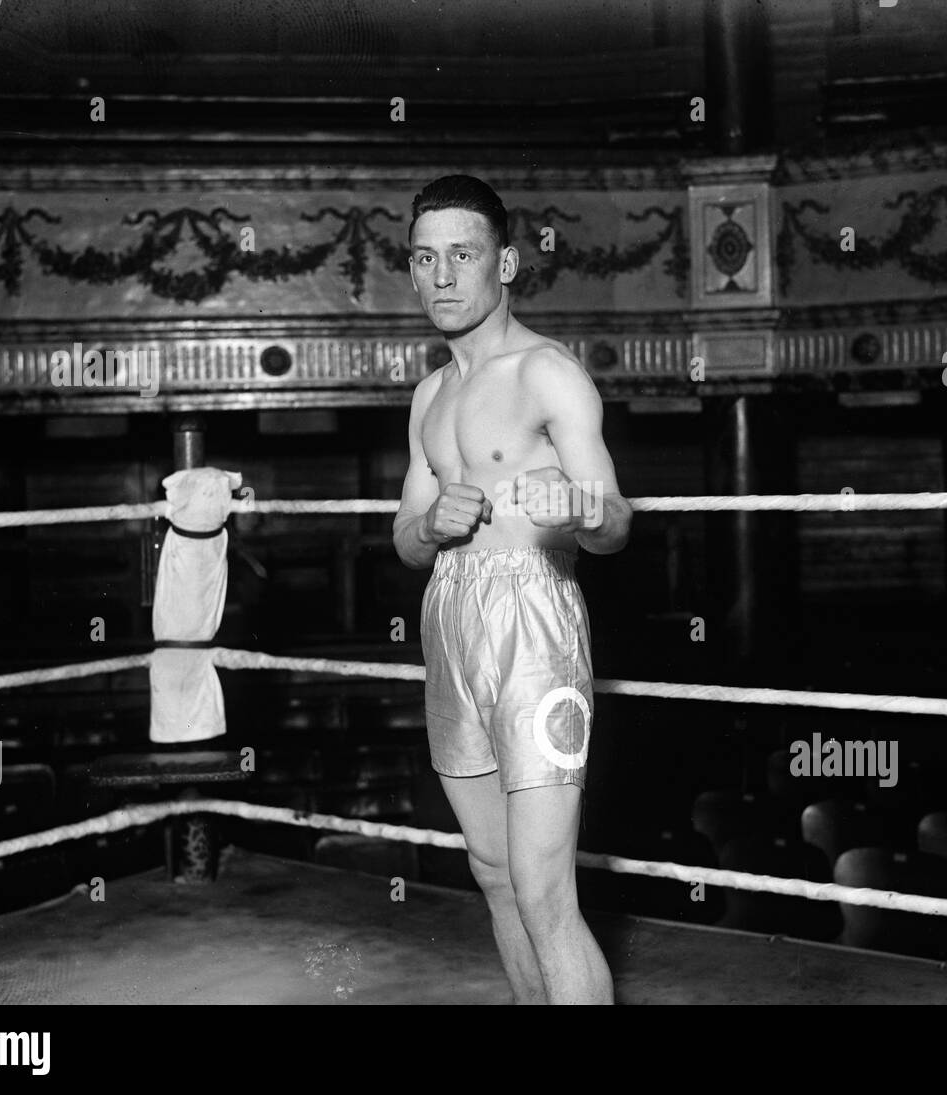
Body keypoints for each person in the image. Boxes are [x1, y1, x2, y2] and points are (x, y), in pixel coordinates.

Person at [392, 175, 632, 1004]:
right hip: (450, 616)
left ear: (508, 263)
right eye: (426, 259)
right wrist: (432, 526)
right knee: (492, 873)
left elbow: (617, 522)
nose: (443, 276)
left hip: (534, 620)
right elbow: (406, 538)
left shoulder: (547, 373)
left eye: (463, 254)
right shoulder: (430, 395)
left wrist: (581, 508)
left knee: (544, 893)